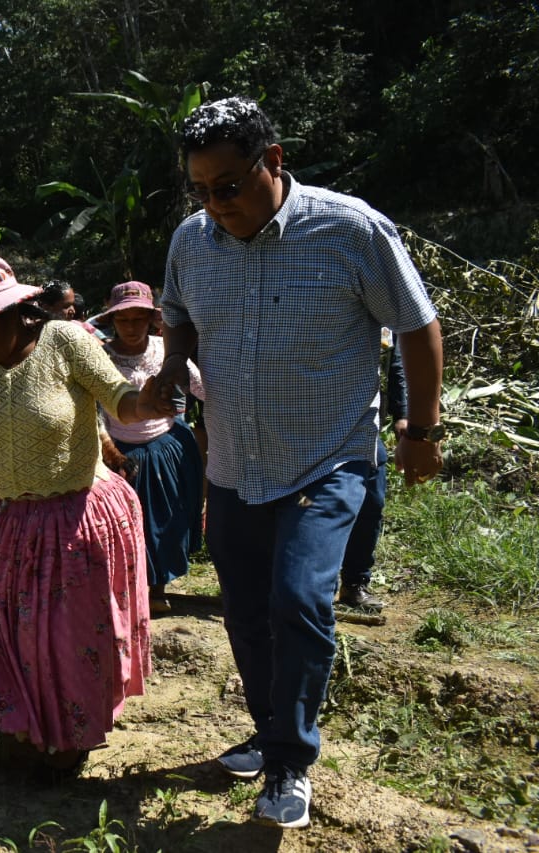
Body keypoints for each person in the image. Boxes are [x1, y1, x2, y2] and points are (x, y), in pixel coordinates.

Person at [155, 96, 443, 829]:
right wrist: (174, 366)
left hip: (328, 459)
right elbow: (176, 315)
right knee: (246, 613)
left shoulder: (349, 229)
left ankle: (290, 758)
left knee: (299, 600)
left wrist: (421, 429)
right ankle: (269, 729)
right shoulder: (192, 241)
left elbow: (418, 325)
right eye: (200, 189)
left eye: (228, 186)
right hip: (235, 463)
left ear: (273, 162)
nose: (215, 205)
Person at [0, 255, 176, 771]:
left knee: (67, 639)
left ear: (15, 311)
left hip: (72, 520)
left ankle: (70, 738)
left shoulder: (65, 341)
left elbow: (119, 397)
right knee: (7, 633)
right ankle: (17, 727)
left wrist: (145, 405)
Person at [99, 280, 205, 615]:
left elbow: (201, 386)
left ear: (151, 320)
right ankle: (128, 588)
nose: (131, 327)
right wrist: (107, 451)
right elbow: (94, 409)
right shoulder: (100, 356)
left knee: (166, 519)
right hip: (119, 453)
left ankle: (158, 588)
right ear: (112, 321)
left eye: (138, 319)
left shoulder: (165, 351)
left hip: (166, 448)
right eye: (123, 320)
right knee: (125, 525)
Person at [338, 336, 407, 611]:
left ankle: (355, 583)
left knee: (371, 498)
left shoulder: (382, 313)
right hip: (305, 414)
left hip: (361, 419)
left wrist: (403, 413)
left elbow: (397, 361)